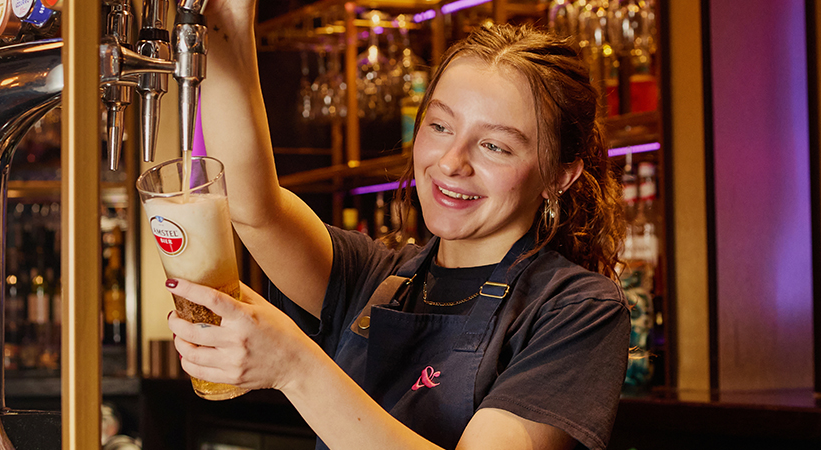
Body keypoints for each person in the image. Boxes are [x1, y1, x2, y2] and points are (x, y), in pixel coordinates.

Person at [166, 3, 631, 449]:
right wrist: (226, 23)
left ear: (559, 175)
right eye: (440, 127)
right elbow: (253, 207)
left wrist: (293, 366)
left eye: (494, 146)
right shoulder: (375, 279)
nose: (451, 163)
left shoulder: (576, 310)